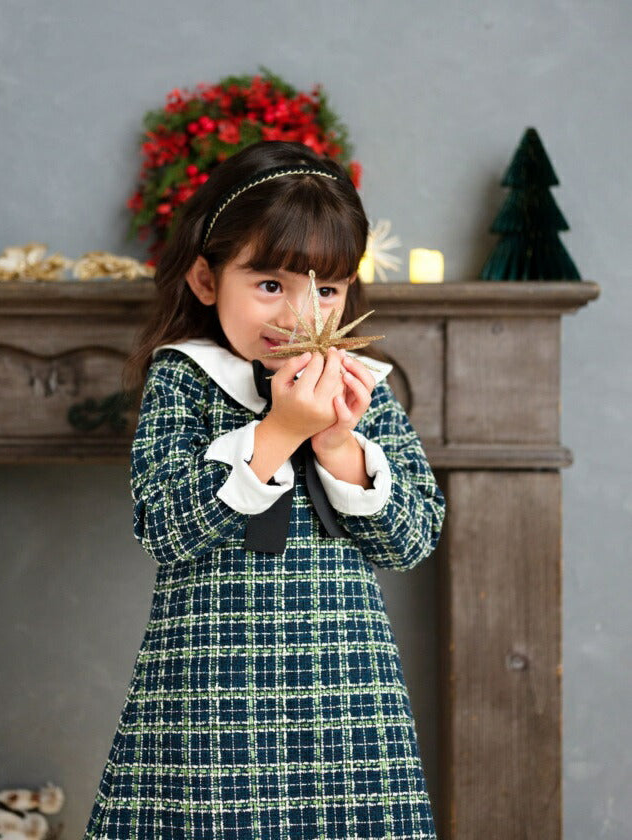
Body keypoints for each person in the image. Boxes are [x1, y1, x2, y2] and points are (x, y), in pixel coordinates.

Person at [82, 140, 446, 840]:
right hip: (211, 682)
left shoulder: (362, 387)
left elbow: (412, 539)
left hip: (346, 685)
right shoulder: (185, 378)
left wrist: (337, 444)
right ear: (206, 279)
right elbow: (165, 529)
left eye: (327, 290)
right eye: (271, 285)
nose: (300, 315)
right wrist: (279, 431)